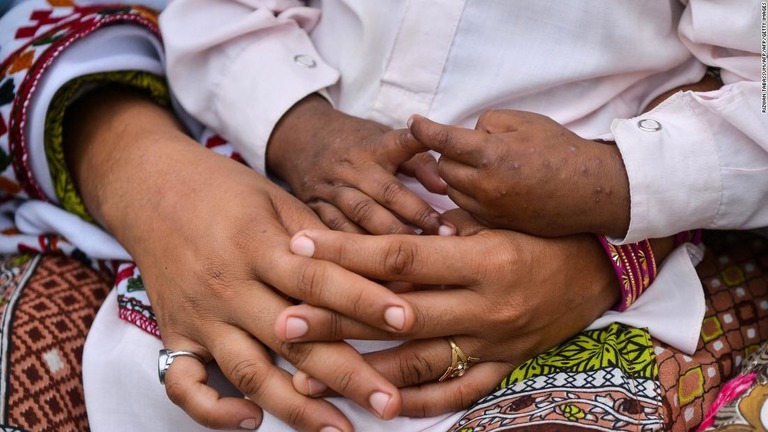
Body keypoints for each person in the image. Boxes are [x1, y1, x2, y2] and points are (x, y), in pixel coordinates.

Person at [0, 1, 765, 432]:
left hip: (562, 314)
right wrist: (298, 128)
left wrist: (609, 182)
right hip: (265, 232)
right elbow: (218, 14)